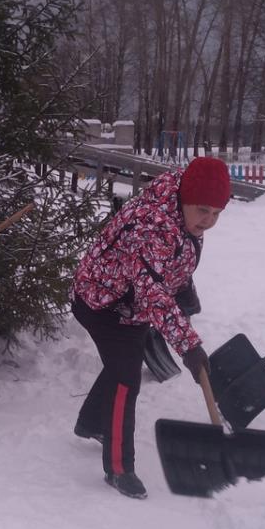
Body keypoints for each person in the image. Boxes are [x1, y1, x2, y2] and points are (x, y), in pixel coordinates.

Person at [71, 156, 231, 499]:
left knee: (123, 363)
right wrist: (188, 346)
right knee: (126, 378)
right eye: (204, 210)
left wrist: (185, 291)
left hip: (132, 303)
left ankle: (90, 423)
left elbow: (175, 260)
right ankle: (119, 468)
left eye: (217, 213)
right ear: (186, 199)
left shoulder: (182, 211)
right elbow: (152, 291)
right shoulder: (152, 224)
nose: (209, 221)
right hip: (103, 301)